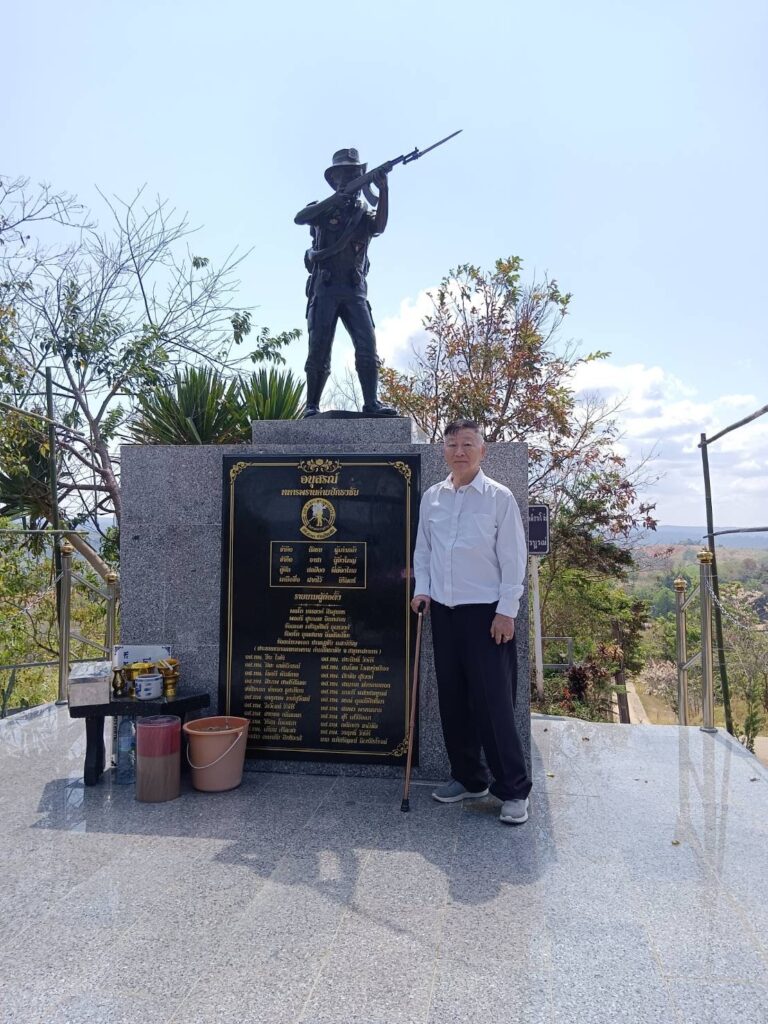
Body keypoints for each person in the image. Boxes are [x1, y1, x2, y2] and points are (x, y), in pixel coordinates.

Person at [411, 420, 532, 824]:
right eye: (452, 445)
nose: (459, 451)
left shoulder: (499, 498)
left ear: (483, 450)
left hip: (486, 614)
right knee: (453, 699)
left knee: (494, 704)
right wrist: (422, 590)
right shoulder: (432, 498)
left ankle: (513, 789)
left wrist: (506, 611)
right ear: (443, 451)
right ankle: (469, 777)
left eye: (467, 444)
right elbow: (424, 551)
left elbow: (513, 558)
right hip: (444, 612)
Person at [294, 148, 397, 418]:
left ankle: (371, 402)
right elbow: (300, 218)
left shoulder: (362, 213)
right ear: (334, 179)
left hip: (354, 289)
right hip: (325, 288)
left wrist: (383, 191)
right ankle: (312, 405)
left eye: (354, 173)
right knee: (319, 347)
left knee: (367, 346)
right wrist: (335, 200)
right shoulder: (323, 209)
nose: (350, 177)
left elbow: (379, 226)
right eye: (344, 173)